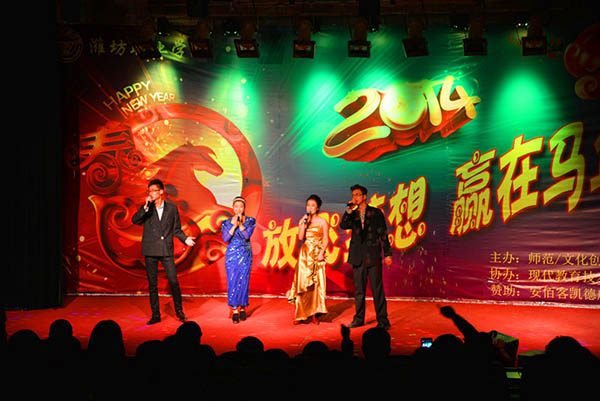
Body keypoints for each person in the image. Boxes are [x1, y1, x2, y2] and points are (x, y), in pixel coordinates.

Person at [132, 179, 196, 325]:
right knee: (152, 284)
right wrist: (145, 208)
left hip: (166, 249)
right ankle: (155, 315)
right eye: (149, 191)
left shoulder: (171, 209)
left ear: (161, 192)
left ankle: (179, 311)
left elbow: (176, 230)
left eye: (154, 191)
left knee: (173, 281)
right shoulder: (147, 209)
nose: (151, 194)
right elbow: (135, 220)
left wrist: (185, 239)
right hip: (150, 249)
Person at [340, 184, 392, 330]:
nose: (355, 197)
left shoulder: (376, 213)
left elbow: (383, 234)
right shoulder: (353, 214)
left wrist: (387, 253)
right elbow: (343, 225)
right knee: (359, 291)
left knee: (377, 290)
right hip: (358, 257)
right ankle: (359, 319)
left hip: (373, 256)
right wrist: (348, 210)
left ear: (364, 196)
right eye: (353, 195)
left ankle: (383, 320)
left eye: (357, 195)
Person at [287, 194, 329, 324]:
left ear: (317, 208)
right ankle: (300, 314)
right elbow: (300, 237)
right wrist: (303, 224)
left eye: (313, 205)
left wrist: (321, 253)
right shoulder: (303, 220)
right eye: (308, 205)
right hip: (305, 255)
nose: (310, 207)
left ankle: (314, 314)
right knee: (302, 284)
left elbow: (326, 239)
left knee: (315, 285)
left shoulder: (322, 221)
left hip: (317, 255)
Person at [221, 196, 256, 323]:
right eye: (236, 206)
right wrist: (234, 225)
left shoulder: (250, 221)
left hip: (245, 253)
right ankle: (235, 309)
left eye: (241, 206)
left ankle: (243, 307)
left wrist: (240, 224)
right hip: (232, 254)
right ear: (233, 208)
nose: (238, 209)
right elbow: (225, 238)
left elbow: (246, 235)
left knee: (244, 280)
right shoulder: (226, 222)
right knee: (233, 280)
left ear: (244, 208)